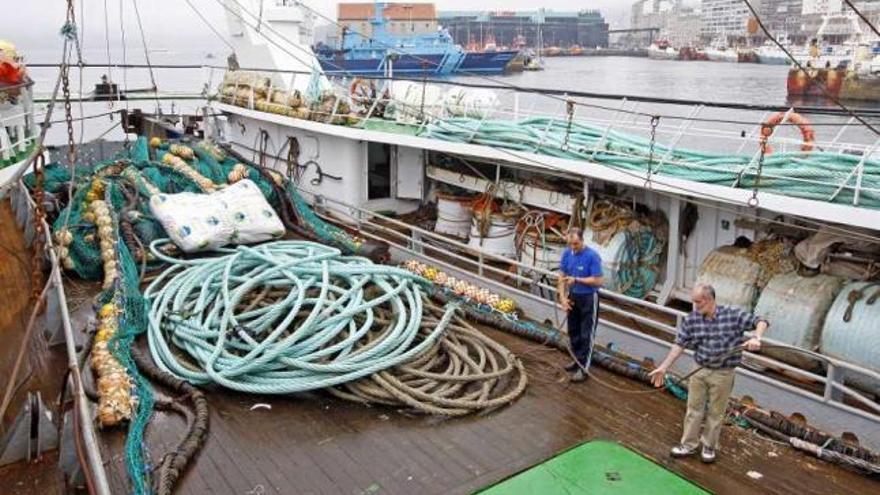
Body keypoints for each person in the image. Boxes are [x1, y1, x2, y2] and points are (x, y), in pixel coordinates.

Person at [648, 284, 768, 464]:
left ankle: (709, 446)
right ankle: (688, 445)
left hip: (723, 373)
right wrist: (664, 367)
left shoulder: (732, 315)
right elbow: (679, 344)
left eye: (699, 302)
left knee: (716, 412)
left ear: (711, 300)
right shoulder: (692, 319)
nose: (695, 306)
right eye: (694, 302)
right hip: (700, 369)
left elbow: (761, 321)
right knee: (693, 409)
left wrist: (756, 337)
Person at [557, 227, 604, 383]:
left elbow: (598, 280)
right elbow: (561, 277)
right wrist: (563, 298)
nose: (573, 248)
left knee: (586, 334)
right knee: (573, 331)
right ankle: (577, 360)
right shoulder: (566, 253)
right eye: (570, 244)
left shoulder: (592, 256)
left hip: (589, 297)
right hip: (573, 297)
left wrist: (577, 280)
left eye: (576, 244)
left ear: (582, 240)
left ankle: (583, 368)